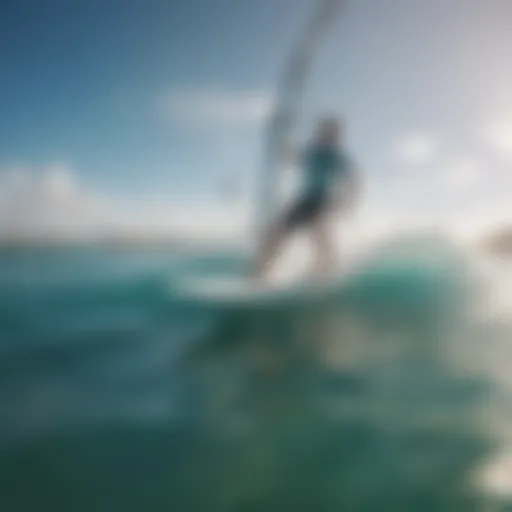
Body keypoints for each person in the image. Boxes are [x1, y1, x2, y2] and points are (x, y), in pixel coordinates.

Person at [252, 116, 361, 282]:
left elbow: (353, 181)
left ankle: (323, 275)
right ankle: (260, 275)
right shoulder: (312, 152)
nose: (328, 136)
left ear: (336, 136)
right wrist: (278, 133)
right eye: (325, 132)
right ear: (321, 133)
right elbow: (288, 156)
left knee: (322, 241)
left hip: (321, 201)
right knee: (277, 234)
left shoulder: (337, 157)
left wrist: (348, 202)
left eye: (332, 133)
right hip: (304, 200)